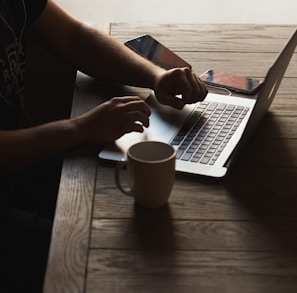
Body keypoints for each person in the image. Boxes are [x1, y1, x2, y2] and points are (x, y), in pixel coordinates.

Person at [0, 0, 208, 292]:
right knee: (108, 260)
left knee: (127, 194)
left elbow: (74, 37)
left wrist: (155, 76)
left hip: (17, 170)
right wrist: (79, 128)